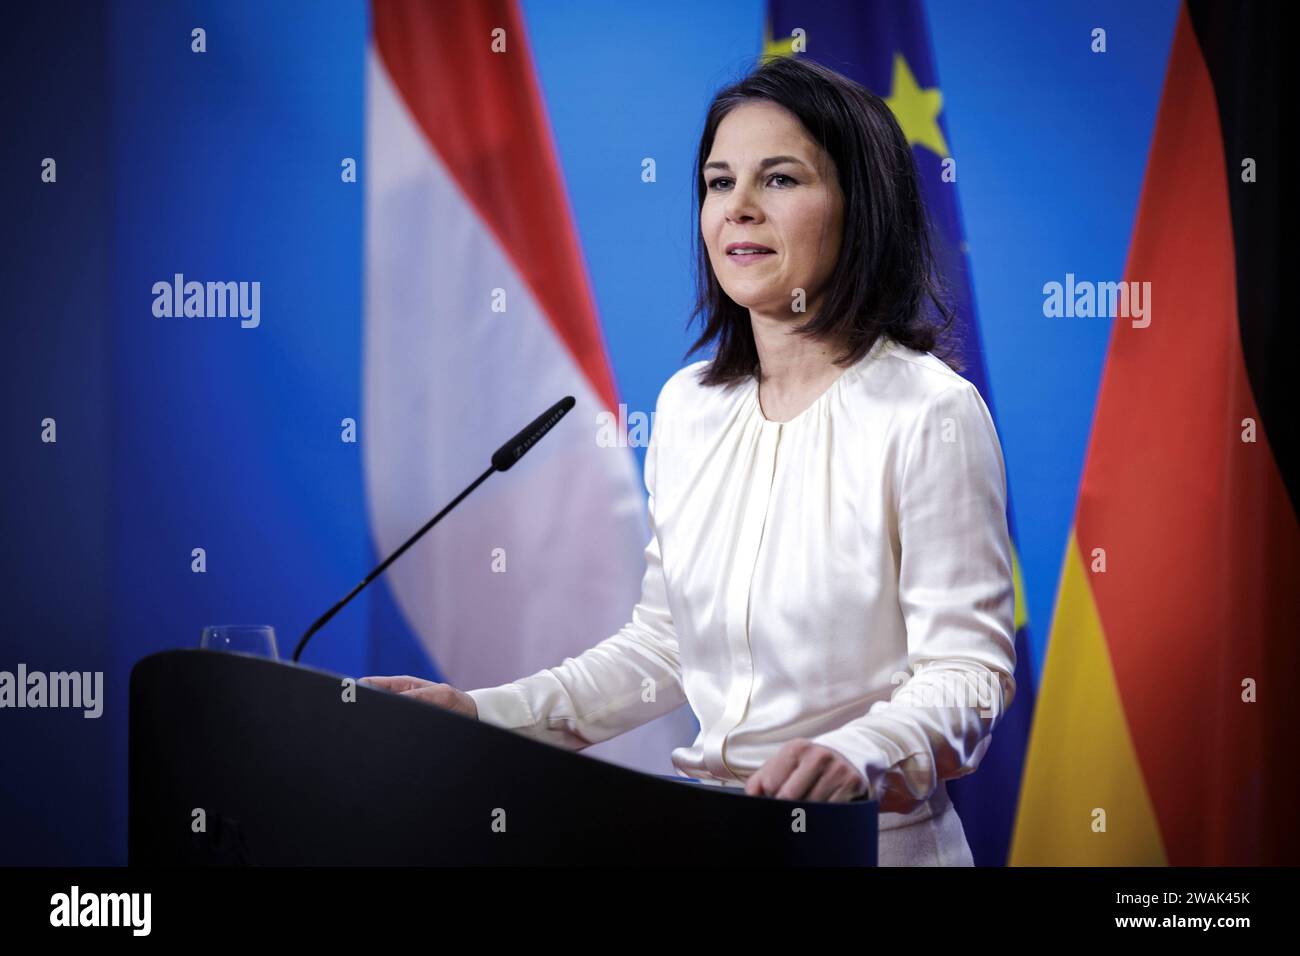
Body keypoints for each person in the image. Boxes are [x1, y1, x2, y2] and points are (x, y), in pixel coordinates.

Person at [362, 56, 1016, 867]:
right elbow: (664, 647)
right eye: (717, 182)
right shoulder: (689, 406)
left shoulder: (930, 413)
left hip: (874, 848)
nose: (737, 208)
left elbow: (969, 673)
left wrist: (862, 751)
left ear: (861, 205)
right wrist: (484, 714)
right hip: (714, 841)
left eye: (779, 179)